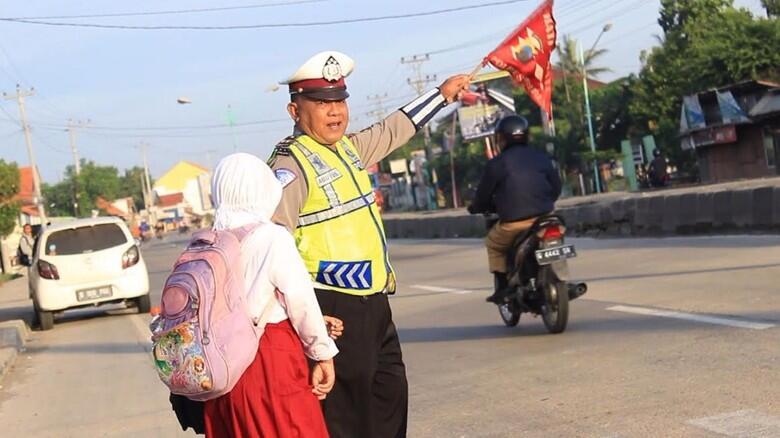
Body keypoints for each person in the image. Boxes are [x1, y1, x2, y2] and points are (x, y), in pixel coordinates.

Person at [268, 50, 469, 438]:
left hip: (375, 303)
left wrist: (441, 95)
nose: (335, 112)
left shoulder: (350, 149)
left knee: (390, 399)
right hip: (332, 308)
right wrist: (300, 318)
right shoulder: (289, 167)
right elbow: (271, 249)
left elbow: (395, 128)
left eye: (339, 101)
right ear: (295, 111)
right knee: (348, 417)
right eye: (322, 103)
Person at [202, 153, 341, 438]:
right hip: (269, 358)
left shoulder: (207, 242)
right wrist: (322, 355)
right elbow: (302, 303)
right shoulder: (273, 238)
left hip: (222, 367)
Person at [467, 115, 562, 304]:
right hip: (546, 218)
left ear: (501, 139)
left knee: (493, 244)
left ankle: (502, 287)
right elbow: (556, 187)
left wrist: (476, 207)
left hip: (514, 224)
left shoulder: (496, 164)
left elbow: (483, 196)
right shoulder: (540, 157)